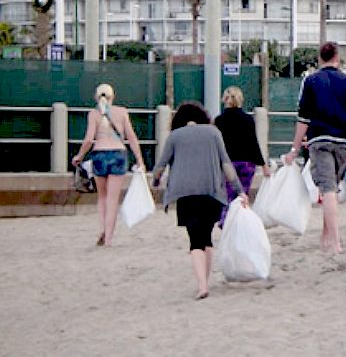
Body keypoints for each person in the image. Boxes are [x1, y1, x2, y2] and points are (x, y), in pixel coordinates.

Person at [152, 102, 248, 300]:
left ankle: (202, 285)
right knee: (206, 237)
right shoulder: (213, 133)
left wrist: (155, 181)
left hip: (186, 194)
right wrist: (240, 191)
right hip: (211, 192)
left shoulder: (174, 136)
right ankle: (205, 279)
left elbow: (160, 165)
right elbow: (226, 163)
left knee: (194, 239)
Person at [283, 42, 346, 254]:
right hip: (344, 140)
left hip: (319, 139)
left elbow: (303, 118)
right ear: (337, 57)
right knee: (332, 189)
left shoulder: (311, 81)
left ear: (320, 58)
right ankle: (326, 237)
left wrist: (294, 148)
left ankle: (335, 242)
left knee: (327, 190)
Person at [71, 83, 145, 247]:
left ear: (96, 97)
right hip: (118, 154)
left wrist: (79, 156)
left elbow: (89, 139)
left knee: (102, 197)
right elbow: (132, 137)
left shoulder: (93, 114)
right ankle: (109, 237)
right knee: (113, 199)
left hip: (99, 154)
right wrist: (140, 160)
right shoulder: (122, 112)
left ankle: (102, 228)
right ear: (113, 97)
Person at [214, 86, 271, 227]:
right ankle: (239, 223)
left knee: (227, 195)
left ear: (224, 100)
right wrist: (264, 165)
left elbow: (216, 145)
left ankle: (225, 222)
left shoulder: (219, 121)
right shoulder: (248, 120)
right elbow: (253, 144)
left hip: (227, 164)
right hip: (246, 164)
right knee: (242, 195)